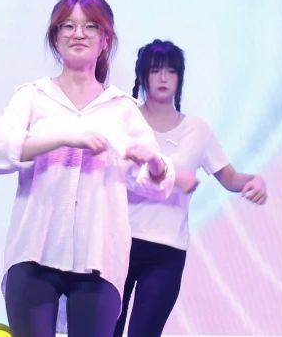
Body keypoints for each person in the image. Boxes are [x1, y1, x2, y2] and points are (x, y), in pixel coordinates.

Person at [0, 0, 174, 337]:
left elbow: (157, 184)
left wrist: (155, 164)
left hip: (98, 259)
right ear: (55, 36)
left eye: (90, 26)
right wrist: (64, 137)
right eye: (68, 26)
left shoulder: (122, 108)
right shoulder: (33, 96)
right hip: (34, 252)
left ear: (106, 40)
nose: (78, 34)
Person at [113, 39, 268, 337]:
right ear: (142, 75)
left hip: (167, 251)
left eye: (171, 71)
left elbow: (230, 178)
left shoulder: (198, 130)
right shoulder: (123, 121)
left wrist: (254, 181)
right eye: (155, 70)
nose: (163, 78)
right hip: (118, 243)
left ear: (180, 77)